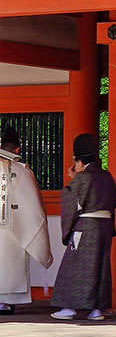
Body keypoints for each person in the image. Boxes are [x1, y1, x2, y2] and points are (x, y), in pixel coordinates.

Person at [50, 133, 116, 321]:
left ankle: (69, 307)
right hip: (104, 226)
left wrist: (67, 233)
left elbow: (71, 203)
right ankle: (96, 309)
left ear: (79, 162)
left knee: (74, 266)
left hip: (86, 227)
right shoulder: (107, 176)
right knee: (100, 266)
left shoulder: (82, 178)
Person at [0, 127, 53, 315]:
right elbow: (33, 204)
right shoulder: (20, 170)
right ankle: (5, 303)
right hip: (15, 228)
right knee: (10, 263)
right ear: (17, 149)